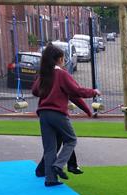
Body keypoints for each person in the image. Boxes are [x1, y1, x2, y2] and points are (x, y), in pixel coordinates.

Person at [31, 43, 99, 187]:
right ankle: (59, 165)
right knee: (71, 140)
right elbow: (77, 91)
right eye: (63, 58)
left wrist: (86, 110)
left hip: (43, 114)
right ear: (59, 59)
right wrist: (94, 92)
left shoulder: (44, 75)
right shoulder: (61, 74)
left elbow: (35, 91)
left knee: (50, 148)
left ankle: (51, 179)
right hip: (57, 114)